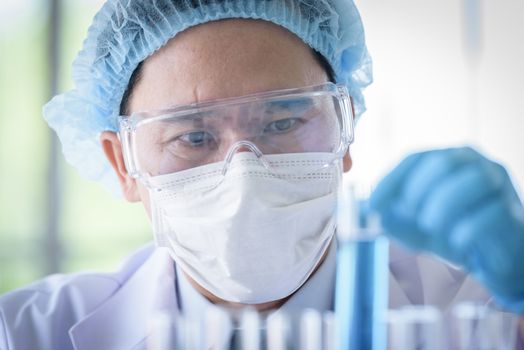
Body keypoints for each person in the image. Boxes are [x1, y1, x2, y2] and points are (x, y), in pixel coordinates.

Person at [1, 0, 523, 349]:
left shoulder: (478, 317)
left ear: (346, 131)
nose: (244, 171)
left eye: (283, 121)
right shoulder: (29, 332)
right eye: (194, 137)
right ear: (124, 165)